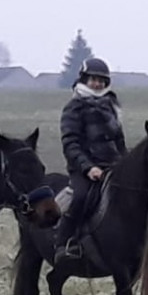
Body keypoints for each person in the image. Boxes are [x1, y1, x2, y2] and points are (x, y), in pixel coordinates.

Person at [54, 57, 127, 264]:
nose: (97, 84)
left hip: (112, 166)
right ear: (84, 80)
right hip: (85, 169)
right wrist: (88, 167)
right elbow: (70, 142)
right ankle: (66, 242)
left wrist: (125, 163)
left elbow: (119, 141)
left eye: (101, 80)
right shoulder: (74, 107)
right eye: (93, 79)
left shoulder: (111, 106)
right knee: (80, 197)